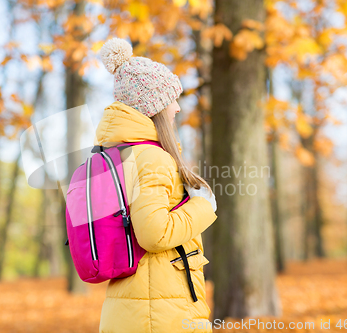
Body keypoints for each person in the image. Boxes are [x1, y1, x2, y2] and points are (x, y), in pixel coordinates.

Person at [96, 38, 218, 333]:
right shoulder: (150, 158)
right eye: (171, 100)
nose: (176, 108)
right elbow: (154, 233)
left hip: (138, 306)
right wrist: (204, 206)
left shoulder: (118, 155)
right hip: (159, 314)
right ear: (154, 108)